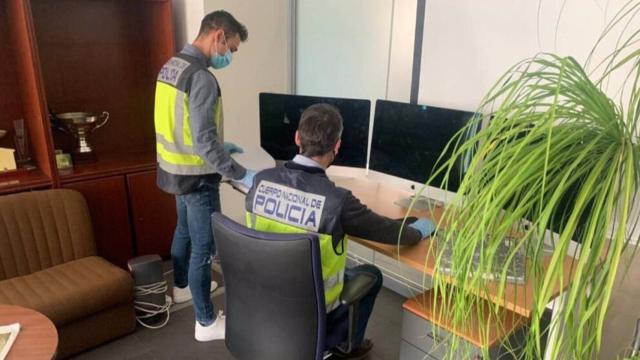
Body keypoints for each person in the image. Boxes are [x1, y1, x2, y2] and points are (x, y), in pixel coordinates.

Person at [244, 104, 435, 358]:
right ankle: (344, 346)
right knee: (371, 274)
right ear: (337, 147)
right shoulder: (337, 202)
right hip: (315, 306)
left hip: (265, 293)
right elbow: (391, 234)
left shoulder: (260, 182)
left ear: (297, 138)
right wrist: (420, 229)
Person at [154, 10, 254, 342]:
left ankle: (181, 287)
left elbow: (180, 122)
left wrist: (218, 146)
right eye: (232, 49)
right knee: (204, 248)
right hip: (197, 177)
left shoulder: (170, 67)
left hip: (174, 170)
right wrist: (240, 174)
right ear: (219, 37)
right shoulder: (201, 77)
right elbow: (206, 143)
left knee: (183, 230)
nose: (230, 56)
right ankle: (206, 321)